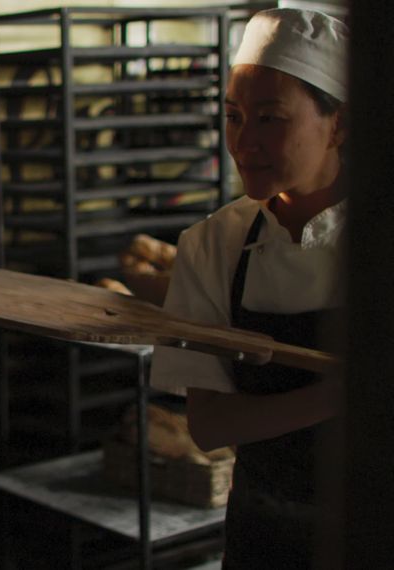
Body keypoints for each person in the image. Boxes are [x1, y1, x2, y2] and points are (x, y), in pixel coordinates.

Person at [149, 8, 348, 568]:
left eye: (269, 119)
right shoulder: (213, 246)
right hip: (266, 536)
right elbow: (211, 425)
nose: (244, 142)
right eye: (234, 117)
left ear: (340, 125)